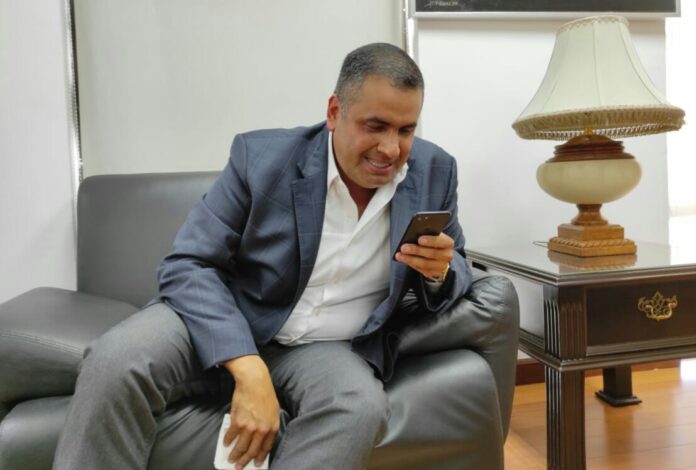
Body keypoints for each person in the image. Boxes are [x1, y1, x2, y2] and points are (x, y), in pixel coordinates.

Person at [52, 42, 472, 470]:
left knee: (359, 406)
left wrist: (439, 272)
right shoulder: (262, 158)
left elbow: (458, 261)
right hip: (229, 318)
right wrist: (248, 367)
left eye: (405, 130)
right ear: (334, 112)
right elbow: (189, 263)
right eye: (376, 126)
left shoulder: (436, 171)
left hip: (327, 350)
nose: (391, 149)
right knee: (116, 360)